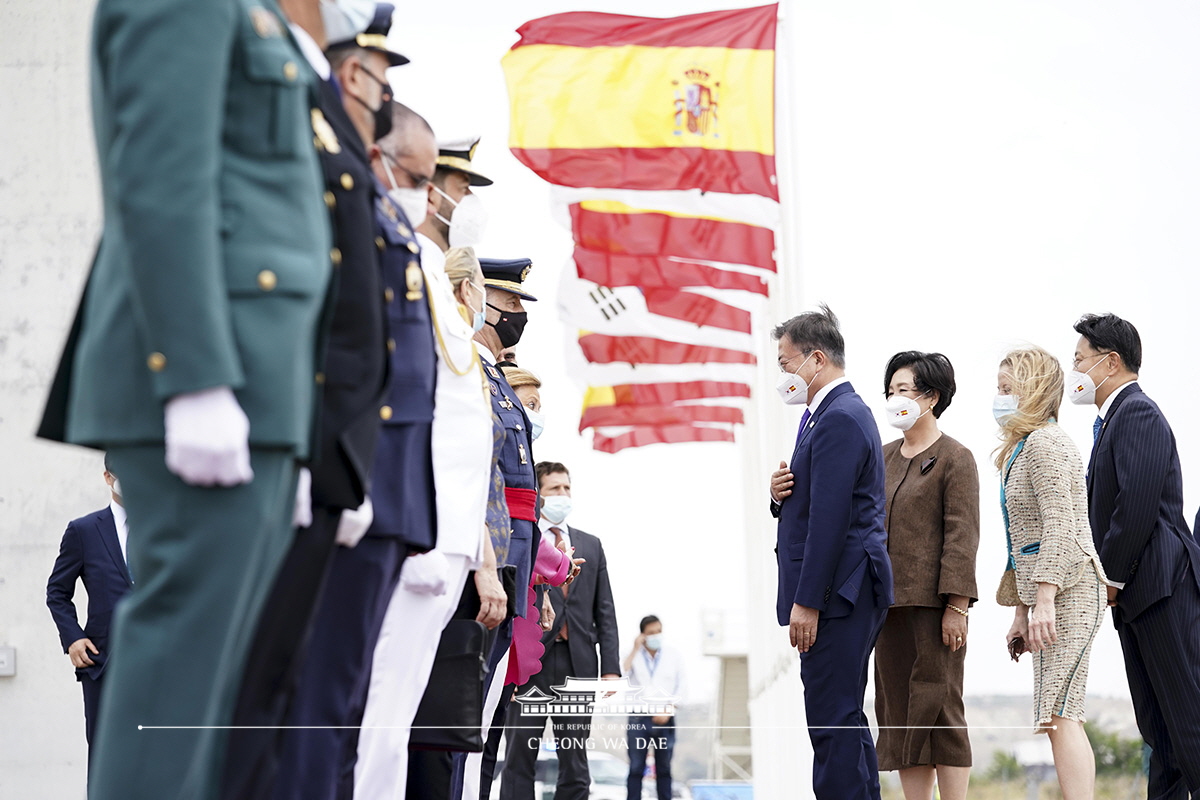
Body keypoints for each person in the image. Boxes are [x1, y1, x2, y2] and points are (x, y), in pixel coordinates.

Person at [36, 0, 332, 794]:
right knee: (176, 679)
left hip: (258, 388)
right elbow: (160, 176)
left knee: (217, 690)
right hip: (208, 377)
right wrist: (194, 376)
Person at [221, 5, 400, 797]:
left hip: (329, 446)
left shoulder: (314, 92)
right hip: (288, 429)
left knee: (278, 693)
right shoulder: (263, 63)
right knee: (243, 696)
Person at [352, 246, 508, 799]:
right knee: (387, 717)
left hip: (453, 546)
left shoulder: (465, 359)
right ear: (466, 292)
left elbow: (477, 476)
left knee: (415, 723)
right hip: (422, 544)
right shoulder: (443, 352)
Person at [767, 304, 893, 800]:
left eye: (786, 363)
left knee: (831, 721)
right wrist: (779, 496)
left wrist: (808, 600)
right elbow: (814, 501)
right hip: (843, 588)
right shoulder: (825, 416)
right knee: (844, 718)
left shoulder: (839, 417)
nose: (783, 376)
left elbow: (831, 520)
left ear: (816, 360)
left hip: (839, 593)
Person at [1071, 313, 1200, 798]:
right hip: (1136, 598)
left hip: (1161, 589)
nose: (1075, 371)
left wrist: (1109, 578)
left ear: (1111, 361)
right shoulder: (1112, 422)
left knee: (1189, 726)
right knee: (1160, 735)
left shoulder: (1138, 413)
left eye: (1080, 359)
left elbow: (1136, 508)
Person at [993, 346, 1107, 800]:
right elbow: (1020, 538)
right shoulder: (1021, 448)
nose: (1000, 398)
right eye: (998, 389)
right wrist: (1022, 611)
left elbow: (1059, 524)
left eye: (1008, 389)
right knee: (1053, 714)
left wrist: (1043, 601)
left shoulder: (1047, 443)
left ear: (1033, 390)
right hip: (1047, 593)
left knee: (1061, 711)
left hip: (1072, 589)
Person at [874, 352, 978, 800]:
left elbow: (962, 535)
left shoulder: (956, 457)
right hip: (885, 609)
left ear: (931, 397)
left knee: (941, 710)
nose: (895, 399)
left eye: (904, 390)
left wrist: (957, 605)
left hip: (936, 610)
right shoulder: (880, 458)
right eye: (890, 391)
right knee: (898, 713)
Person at [501, 461, 620, 800]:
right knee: (519, 757)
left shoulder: (591, 545)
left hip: (578, 662)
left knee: (575, 762)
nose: (563, 495)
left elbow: (605, 610)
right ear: (539, 494)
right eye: (555, 489)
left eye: (567, 488)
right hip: (528, 662)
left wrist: (610, 668)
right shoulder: (525, 537)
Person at [473, 258, 544, 800]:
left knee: (488, 700)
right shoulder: (473, 372)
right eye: (513, 303)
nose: (519, 315)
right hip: (493, 555)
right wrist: (488, 563)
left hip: (513, 555)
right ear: (485, 302)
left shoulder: (496, 375)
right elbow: (483, 478)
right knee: (469, 704)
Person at [45, 456, 134, 765]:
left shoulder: (165, 528)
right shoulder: (83, 531)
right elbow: (57, 591)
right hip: (104, 663)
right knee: (105, 760)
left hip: (161, 662)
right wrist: (73, 638)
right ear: (109, 477)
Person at [622, 615, 686, 800]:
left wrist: (669, 709)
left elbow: (682, 686)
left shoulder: (673, 655)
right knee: (635, 767)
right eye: (651, 633)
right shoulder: (631, 654)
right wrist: (635, 649)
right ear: (642, 635)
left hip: (664, 717)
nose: (655, 636)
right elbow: (621, 673)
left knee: (664, 768)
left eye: (658, 631)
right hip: (638, 717)